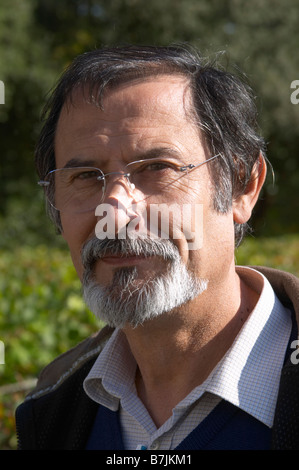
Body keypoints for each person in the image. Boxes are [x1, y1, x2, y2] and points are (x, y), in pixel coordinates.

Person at [16, 44, 299, 450]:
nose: (115, 209)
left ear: (242, 187)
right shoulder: (52, 412)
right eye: (84, 176)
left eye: (155, 168)